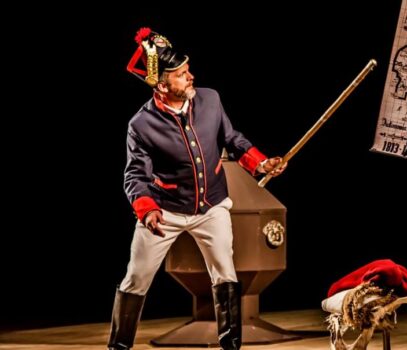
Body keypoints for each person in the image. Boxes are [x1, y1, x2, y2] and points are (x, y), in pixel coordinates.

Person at [108, 27, 285, 350]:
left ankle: (231, 345)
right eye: (181, 74)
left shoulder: (211, 99)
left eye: (188, 70)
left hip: (212, 207)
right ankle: (118, 346)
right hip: (165, 211)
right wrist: (147, 210)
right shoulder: (141, 125)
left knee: (225, 273)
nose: (191, 77)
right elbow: (135, 175)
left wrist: (261, 163)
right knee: (136, 277)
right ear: (162, 85)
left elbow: (232, 139)